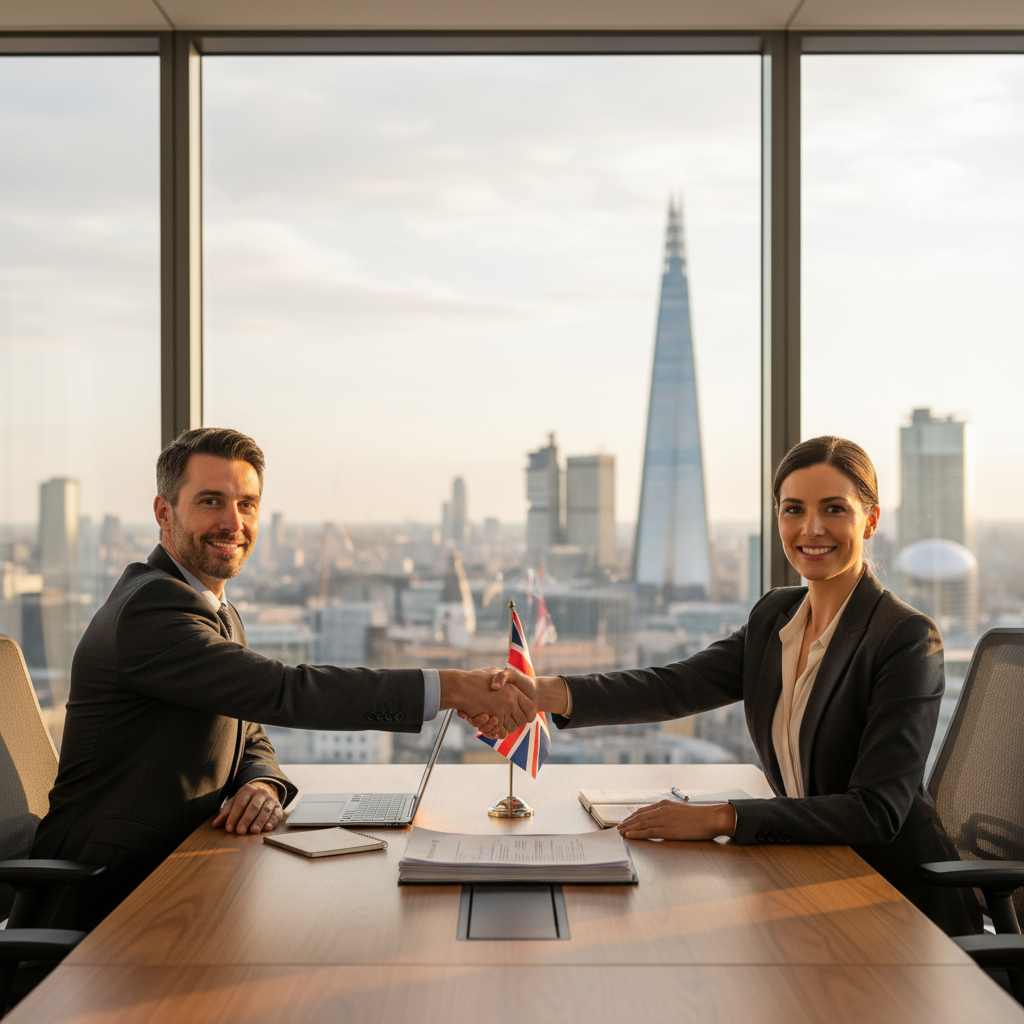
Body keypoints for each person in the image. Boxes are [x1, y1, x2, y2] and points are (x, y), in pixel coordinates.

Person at [31, 427, 533, 930]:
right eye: (211, 501)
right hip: (106, 897)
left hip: (181, 876)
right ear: (165, 512)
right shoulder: (150, 610)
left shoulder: (214, 610)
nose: (234, 521)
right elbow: (284, 691)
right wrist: (450, 687)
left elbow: (250, 731)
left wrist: (263, 784)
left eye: (247, 504)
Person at [493, 436, 976, 934]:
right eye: (794, 510)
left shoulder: (904, 637)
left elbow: (875, 812)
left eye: (834, 509)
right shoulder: (775, 617)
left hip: (901, 905)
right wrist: (543, 692)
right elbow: (675, 686)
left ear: (870, 520)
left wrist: (722, 818)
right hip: (814, 878)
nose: (812, 528)